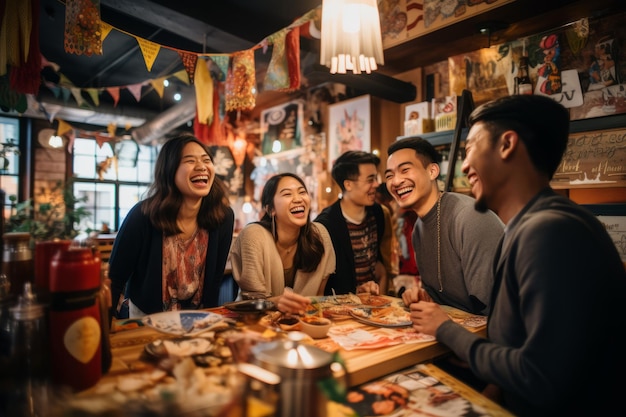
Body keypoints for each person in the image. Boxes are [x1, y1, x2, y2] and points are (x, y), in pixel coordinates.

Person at [407, 95, 626, 416]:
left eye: (470, 150)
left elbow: (542, 376)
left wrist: (445, 329)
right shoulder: (530, 226)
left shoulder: (550, 232)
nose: (465, 166)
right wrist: (490, 391)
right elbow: (523, 347)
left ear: (507, 144)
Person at [109, 134, 234, 318]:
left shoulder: (223, 217)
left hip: (199, 319)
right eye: (190, 161)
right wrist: (104, 333)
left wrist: (209, 321)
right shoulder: (143, 215)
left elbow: (214, 280)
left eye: (206, 160)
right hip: (147, 319)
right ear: (169, 170)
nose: (202, 167)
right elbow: (114, 280)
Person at [385, 137, 504, 316]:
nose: (396, 182)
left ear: (432, 171)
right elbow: (445, 296)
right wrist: (425, 296)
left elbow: (491, 309)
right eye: (389, 175)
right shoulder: (419, 229)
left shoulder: (468, 217)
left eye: (405, 170)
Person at [230, 173, 335, 315]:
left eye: (302, 192)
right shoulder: (253, 236)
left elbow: (319, 298)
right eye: (287, 194)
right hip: (255, 324)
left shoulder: (320, 235)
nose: (298, 199)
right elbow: (252, 302)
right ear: (270, 209)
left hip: (305, 324)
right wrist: (274, 302)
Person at [315, 151, 388, 296]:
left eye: (376, 177)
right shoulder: (326, 225)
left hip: (374, 307)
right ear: (348, 184)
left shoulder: (378, 213)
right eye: (370, 179)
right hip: (340, 311)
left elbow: (377, 261)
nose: (377, 184)